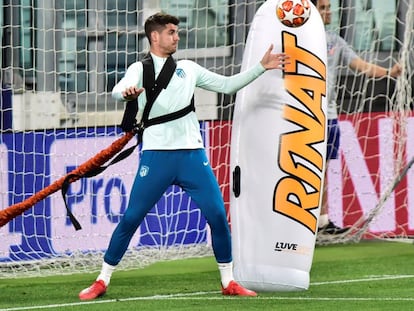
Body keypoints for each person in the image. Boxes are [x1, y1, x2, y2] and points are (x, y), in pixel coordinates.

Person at [79, 12, 289, 300]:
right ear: (155, 36)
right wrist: (126, 94)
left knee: (217, 214)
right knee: (131, 218)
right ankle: (102, 280)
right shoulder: (139, 69)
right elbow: (118, 90)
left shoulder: (189, 69)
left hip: (192, 156)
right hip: (156, 156)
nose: (177, 36)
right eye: (171, 32)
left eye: (177, 32)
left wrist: (261, 68)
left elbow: (228, 85)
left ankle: (228, 282)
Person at [310, 0, 402, 234]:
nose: (328, 12)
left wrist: (389, 72)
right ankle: (300, 222)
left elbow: (360, 65)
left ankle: (322, 222)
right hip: (304, 115)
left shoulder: (334, 40)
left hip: (328, 115)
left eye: (329, 7)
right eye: (323, 8)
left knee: (323, 169)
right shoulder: (298, 41)